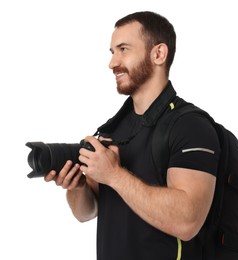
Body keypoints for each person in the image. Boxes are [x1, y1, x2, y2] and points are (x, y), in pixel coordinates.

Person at [45, 11, 220, 260]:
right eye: (112, 51)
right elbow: (85, 212)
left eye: (123, 49)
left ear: (158, 54)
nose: (112, 63)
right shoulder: (111, 130)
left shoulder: (191, 126)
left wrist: (115, 175)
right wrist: (78, 186)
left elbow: (187, 221)